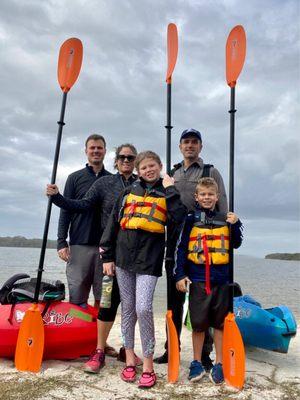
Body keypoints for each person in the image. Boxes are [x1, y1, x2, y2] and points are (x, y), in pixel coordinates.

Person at [46, 144, 139, 372]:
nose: (126, 160)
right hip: (106, 254)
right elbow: (80, 205)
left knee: (131, 305)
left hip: (134, 255)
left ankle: (126, 348)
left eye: (131, 157)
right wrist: (57, 197)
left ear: (136, 161)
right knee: (106, 301)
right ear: (116, 160)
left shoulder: (143, 184)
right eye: (123, 157)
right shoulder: (104, 183)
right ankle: (95, 347)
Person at [100, 151, 186, 388]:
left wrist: (171, 189)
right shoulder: (128, 193)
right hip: (123, 259)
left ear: (160, 166)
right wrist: (107, 255)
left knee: (144, 308)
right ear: (138, 171)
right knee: (127, 309)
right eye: (144, 167)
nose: (148, 170)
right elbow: (112, 226)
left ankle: (147, 364)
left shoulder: (167, 193)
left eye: (152, 166)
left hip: (149, 261)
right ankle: (129, 359)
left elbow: (180, 218)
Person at [154, 128, 228, 371]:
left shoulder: (210, 172)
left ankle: (205, 355)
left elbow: (222, 207)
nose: (190, 146)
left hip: (204, 241)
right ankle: (171, 348)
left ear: (200, 146)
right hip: (175, 239)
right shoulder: (173, 173)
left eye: (195, 142)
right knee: (173, 301)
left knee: (206, 302)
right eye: (186, 142)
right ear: (180, 146)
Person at [174, 177, 243, 384]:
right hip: (197, 280)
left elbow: (236, 244)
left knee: (220, 325)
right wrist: (180, 275)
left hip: (221, 280)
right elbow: (180, 248)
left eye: (210, 194)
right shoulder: (189, 219)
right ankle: (196, 362)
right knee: (198, 325)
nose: (206, 198)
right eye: (202, 194)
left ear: (216, 197)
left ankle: (219, 363)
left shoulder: (226, 219)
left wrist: (236, 224)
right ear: (197, 197)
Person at [56, 134, 110, 309]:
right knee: (77, 297)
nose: (96, 151)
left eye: (99, 147)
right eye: (92, 148)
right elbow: (66, 210)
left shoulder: (112, 179)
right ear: (86, 151)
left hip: (105, 247)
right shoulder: (74, 178)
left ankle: (98, 335)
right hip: (79, 244)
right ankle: (80, 333)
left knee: (103, 298)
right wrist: (61, 242)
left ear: (105, 151)